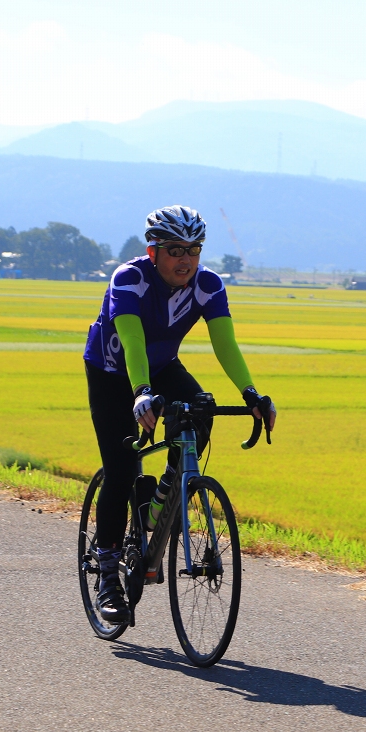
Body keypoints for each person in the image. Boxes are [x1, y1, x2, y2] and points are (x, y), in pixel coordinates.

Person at [82, 204, 276, 623]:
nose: (186, 259)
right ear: (153, 252)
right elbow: (131, 341)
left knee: (200, 409)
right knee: (120, 469)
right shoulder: (129, 279)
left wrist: (251, 394)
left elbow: (225, 342)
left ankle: (159, 502)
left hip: (163, 366)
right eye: (175, 250)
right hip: (114, 374)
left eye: (194, 249)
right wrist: (141, 393)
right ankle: (107, 575)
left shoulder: (207, 285)